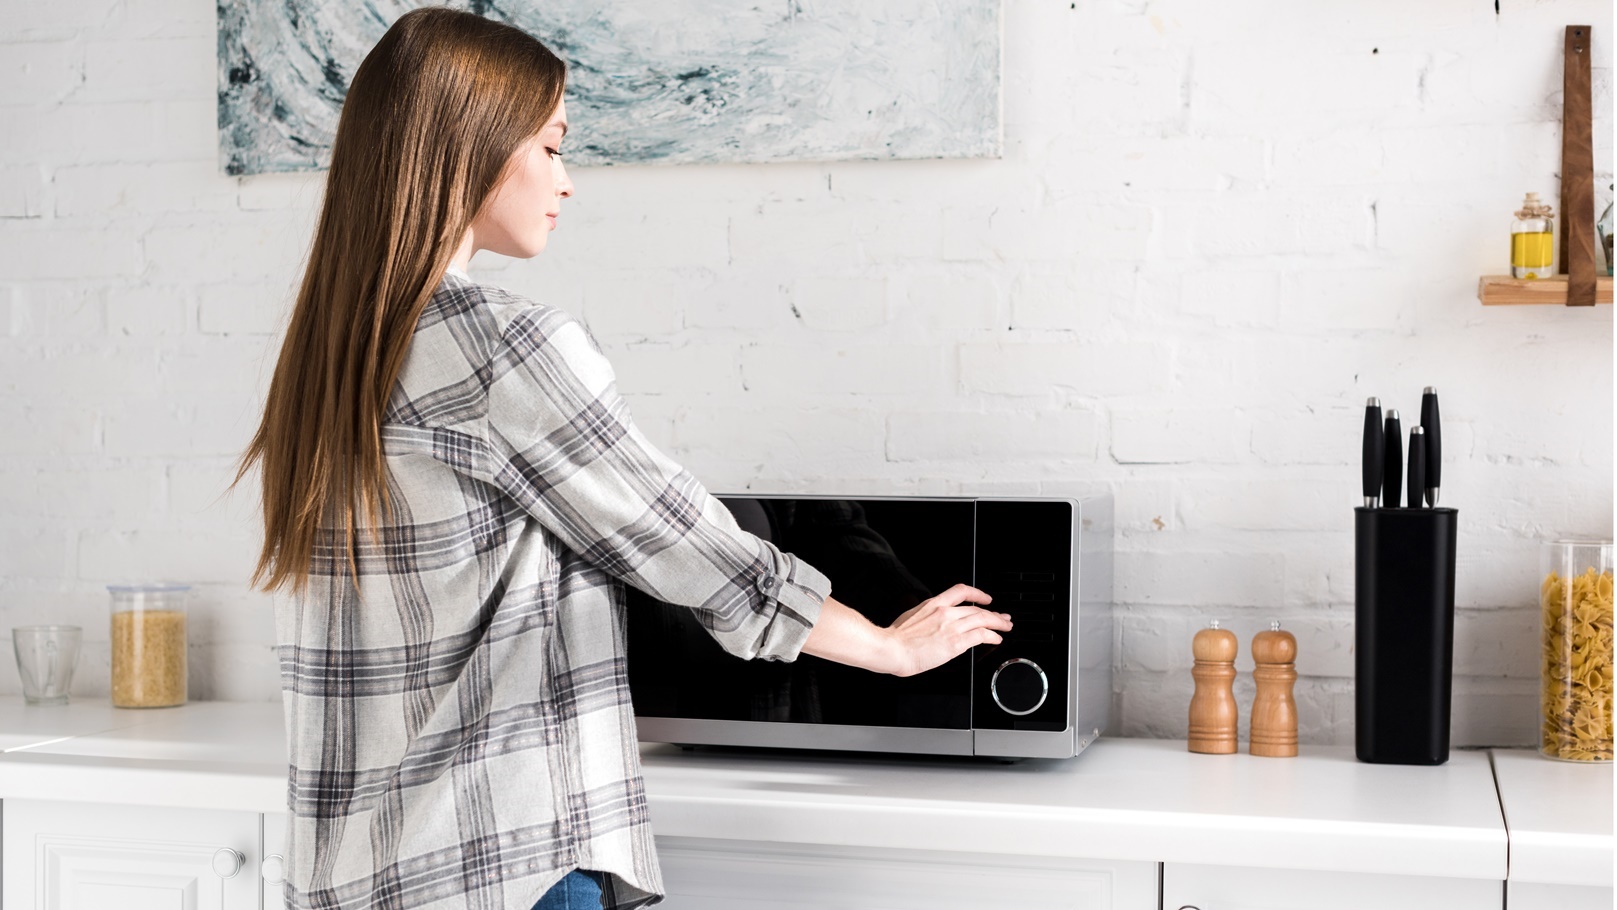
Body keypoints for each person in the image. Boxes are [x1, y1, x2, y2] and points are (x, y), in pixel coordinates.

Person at [234, 8, 1011, 909]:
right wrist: (885, 647)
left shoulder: (325, 365)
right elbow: (691, 548)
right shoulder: (505, 348)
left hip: (359, 873)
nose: (567, 181)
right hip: (506, 858)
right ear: (472, 147)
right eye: (554, 147)